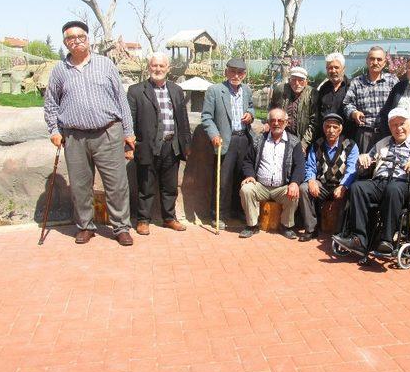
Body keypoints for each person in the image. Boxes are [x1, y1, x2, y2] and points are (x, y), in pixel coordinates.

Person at [44, 20, 135, 246]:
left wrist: (128, 131)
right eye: (70, 38)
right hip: (74, 136)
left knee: (116, 184)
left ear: (88, 38)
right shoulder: (59, 71)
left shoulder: (105, 64)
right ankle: (85, 226)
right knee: (80, 185)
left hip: (108, 133)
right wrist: (54, 130)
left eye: (80, 36)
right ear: (65, 42)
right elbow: (51, 104)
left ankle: (121, 227)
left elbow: (121, 100)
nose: (76, 41)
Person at [332, 107, 410, 256]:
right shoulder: (383, 143)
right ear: (389, 127)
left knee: (393, 189)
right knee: (357, 187)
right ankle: (359, 239)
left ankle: (386, 240)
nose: (398, 128)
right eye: (394, 125)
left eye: (402, 124)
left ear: (409, 124)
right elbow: (366, 162)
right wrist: (363, 160)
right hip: (380, 181)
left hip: (403, 183)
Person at [127, 52, 192, 235]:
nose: (158, 69)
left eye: (161, 66)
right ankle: (143, 220)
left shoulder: (177, 90)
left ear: (168, 69)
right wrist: (128, 146)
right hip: (146, 146)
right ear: (149, 67)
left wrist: (186, 144)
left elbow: (183, 120)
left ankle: (169, 218)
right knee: (145, 185)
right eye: (154, 66)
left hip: (171, 146)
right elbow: (129, 122)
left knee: (170, 186)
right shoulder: (136, 90)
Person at [201, 58, 255, 229]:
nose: (236, 75)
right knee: (222, 180)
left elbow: (252, 107)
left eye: (240, 72)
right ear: (226, 72)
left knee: (241, 177)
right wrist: (214, 134)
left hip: (244, 139)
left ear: (244, 75)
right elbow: (206, 117)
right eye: (232, 71)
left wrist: (251, 115)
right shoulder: (215, 90)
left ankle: (238, 210)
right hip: (225, 139)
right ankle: (219, 214)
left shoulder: (246, 90)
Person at [239, 108, 305, 239]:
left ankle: (286, 226)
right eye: (273, 120)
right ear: (268, 122)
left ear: (286, 123)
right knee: (246, 189)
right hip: (261, 186)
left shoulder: (294, 142)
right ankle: (252, 225)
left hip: (281, 187)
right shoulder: (258, 140)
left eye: (280, 120)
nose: (276, 123)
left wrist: (294, 183)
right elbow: (247, 161)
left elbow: (300, 166)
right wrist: (250, 175)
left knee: (294, 192)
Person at [298, 113, 359, 242]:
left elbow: (352, 170)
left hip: (341, 185)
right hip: (323, 185)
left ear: (340, 129)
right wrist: (311, 180)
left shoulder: (350, 145)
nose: (331, 130)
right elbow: (310, 166)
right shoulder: (316, 145)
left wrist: (343, 186)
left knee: (351, 192)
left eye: (334, 127)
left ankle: (339, 233)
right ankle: (311, 229)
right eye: (327, 126)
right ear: (323, 128)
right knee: (304, 188)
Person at [343, 46, 398, 153]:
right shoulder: (357, 82)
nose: (375, 62)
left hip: (387, 133)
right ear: (367, 61)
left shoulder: (393, 81)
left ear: (385, 62)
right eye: (372, 59)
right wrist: (354, 113)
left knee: (384, 167)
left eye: (379, 59)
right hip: (365, 134)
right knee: (363, 167)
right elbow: (347, 104)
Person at [269, 66, 317, 152]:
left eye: (301, 80)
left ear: (306, 82)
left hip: (303, 139)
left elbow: (315, 122)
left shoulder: (312, 94)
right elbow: (272, 109)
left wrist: (304, 144)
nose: (297, 83)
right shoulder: (280, 90)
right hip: (282, 138)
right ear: (289, 80)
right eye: (294, 80)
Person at [316, 52, 353, 140]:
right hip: (326, 138)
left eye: (336, 67)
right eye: (330, 68)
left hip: (347, 138)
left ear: (343, 69)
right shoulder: (323, 88)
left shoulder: (351, 87)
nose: (333, 71)